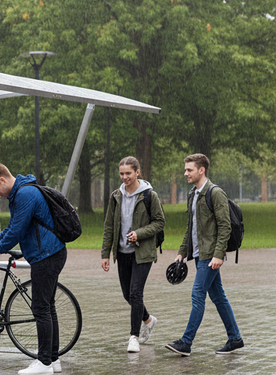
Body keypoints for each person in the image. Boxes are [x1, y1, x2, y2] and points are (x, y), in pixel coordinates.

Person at [0, 163, 66, 375]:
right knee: (48, 307)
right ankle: (53, 359)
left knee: (40, 308)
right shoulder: (21, 193)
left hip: (46, 255)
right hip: (50, 253)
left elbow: (16, 231)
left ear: (2, 180)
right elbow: (12, 228)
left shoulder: (25, 194)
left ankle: (44, 363)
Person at [165, 153, 244, 357]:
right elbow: (190, 227)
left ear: (201, 170)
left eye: (189, 169)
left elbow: (225, 226)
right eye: (185, 169)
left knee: (197, 294)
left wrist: (218, 255)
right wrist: (182, 253)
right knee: (218, 297)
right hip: (200, 253)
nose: (185, 173)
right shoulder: (193, 194)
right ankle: (235, 338)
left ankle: (186, 342)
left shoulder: (215, 193)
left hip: (210, 255)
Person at [101, 156, 165, 353]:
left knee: (136, 293)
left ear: (137, 172)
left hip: (142, 252)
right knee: (128, 295)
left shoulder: (149, 195)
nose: (124, 177)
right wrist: (105, 254)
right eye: (121, 174)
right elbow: (109, 226)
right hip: (122, 252)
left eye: (128, 173)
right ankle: (148, 320)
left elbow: (159, 222)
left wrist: (139, 233)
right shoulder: (116, 196)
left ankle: (133, 337)